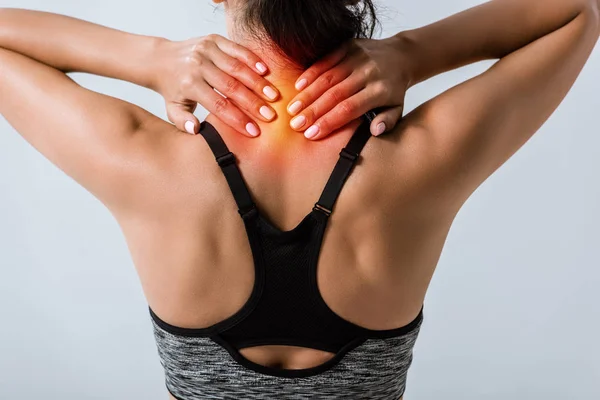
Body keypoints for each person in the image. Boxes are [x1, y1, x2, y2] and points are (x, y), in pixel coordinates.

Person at [0, 0, 598, 399]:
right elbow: (580, 11)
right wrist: (416, 53)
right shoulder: (423, 160)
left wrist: (145, 58)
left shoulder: (147, 164)